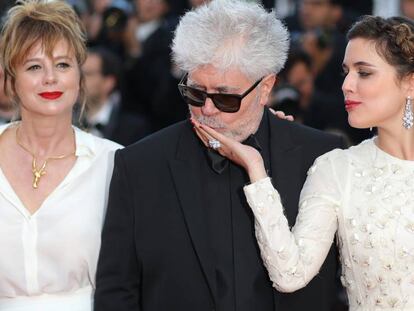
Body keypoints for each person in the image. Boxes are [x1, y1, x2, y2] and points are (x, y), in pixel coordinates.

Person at [94, 1, 344, 310]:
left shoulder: (322, 158)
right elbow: (117, 291)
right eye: (195, 93)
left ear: (265, 88)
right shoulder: (140, 166)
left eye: (226, 97)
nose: (207, 109)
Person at [192, 15, 414, 310]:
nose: (347, 85)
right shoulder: (337, 169)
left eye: (364, 73)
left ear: (410, 82)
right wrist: (256, 170)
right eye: (346, 72)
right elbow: (289, 274)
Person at [0, 1, 121, 310]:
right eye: (34, 66)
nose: (50, 78)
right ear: (11, 81)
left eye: (63, 64)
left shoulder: (114, 163)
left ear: (79, 78)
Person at [82, 47, 151, 145]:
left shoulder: (133, 128)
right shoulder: (66, 121)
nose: (79, 80)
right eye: (78, 73)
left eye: (87, 74)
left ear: (108, 83)